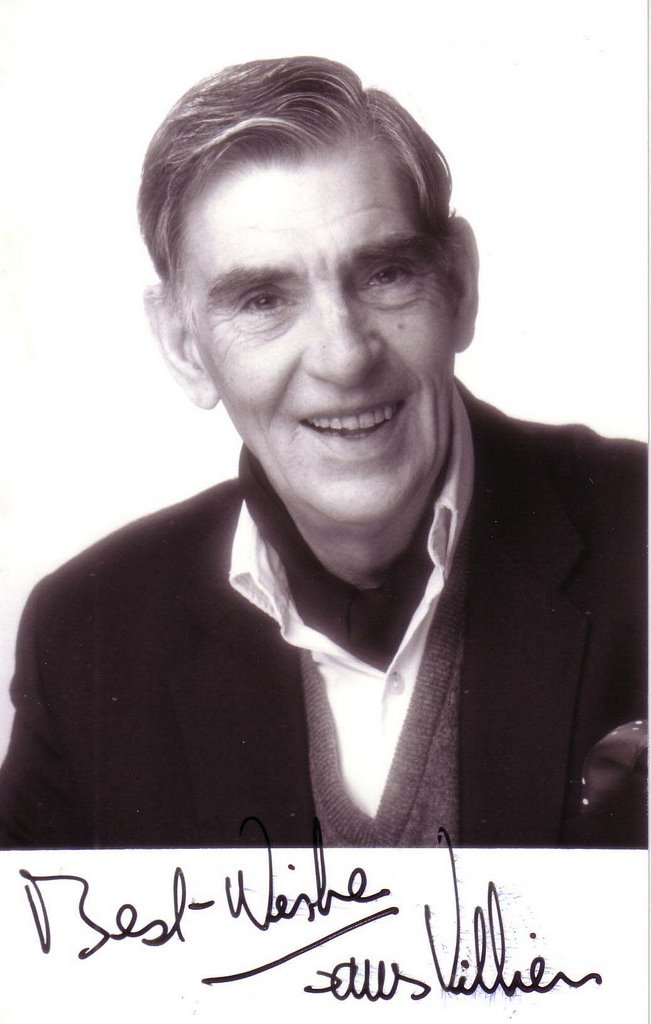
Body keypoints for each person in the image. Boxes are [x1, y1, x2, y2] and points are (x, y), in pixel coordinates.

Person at [0, 57, 645, 850]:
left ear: (460, 284)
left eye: (384, 274)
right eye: (262, 299)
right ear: (183, 347)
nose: (343, 357)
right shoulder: (87, 635)